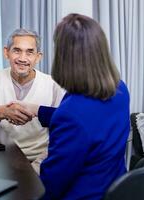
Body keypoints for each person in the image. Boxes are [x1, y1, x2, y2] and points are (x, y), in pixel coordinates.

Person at [18, 14, 130, 199]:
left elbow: (51, 183)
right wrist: (38, 110)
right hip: (114, 190)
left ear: (64, 57)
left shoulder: (72, 113)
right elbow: (92, 125)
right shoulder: (119, 88)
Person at [0, 28, 65, 167]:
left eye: (30, 52)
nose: (22, 58)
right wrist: (1, 112)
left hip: (40, 159)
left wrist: (40, 165)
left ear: (38, 57)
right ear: (6, 52)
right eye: (17, 50)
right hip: (0, 157)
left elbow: (63, 128)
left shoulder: (53, 85)